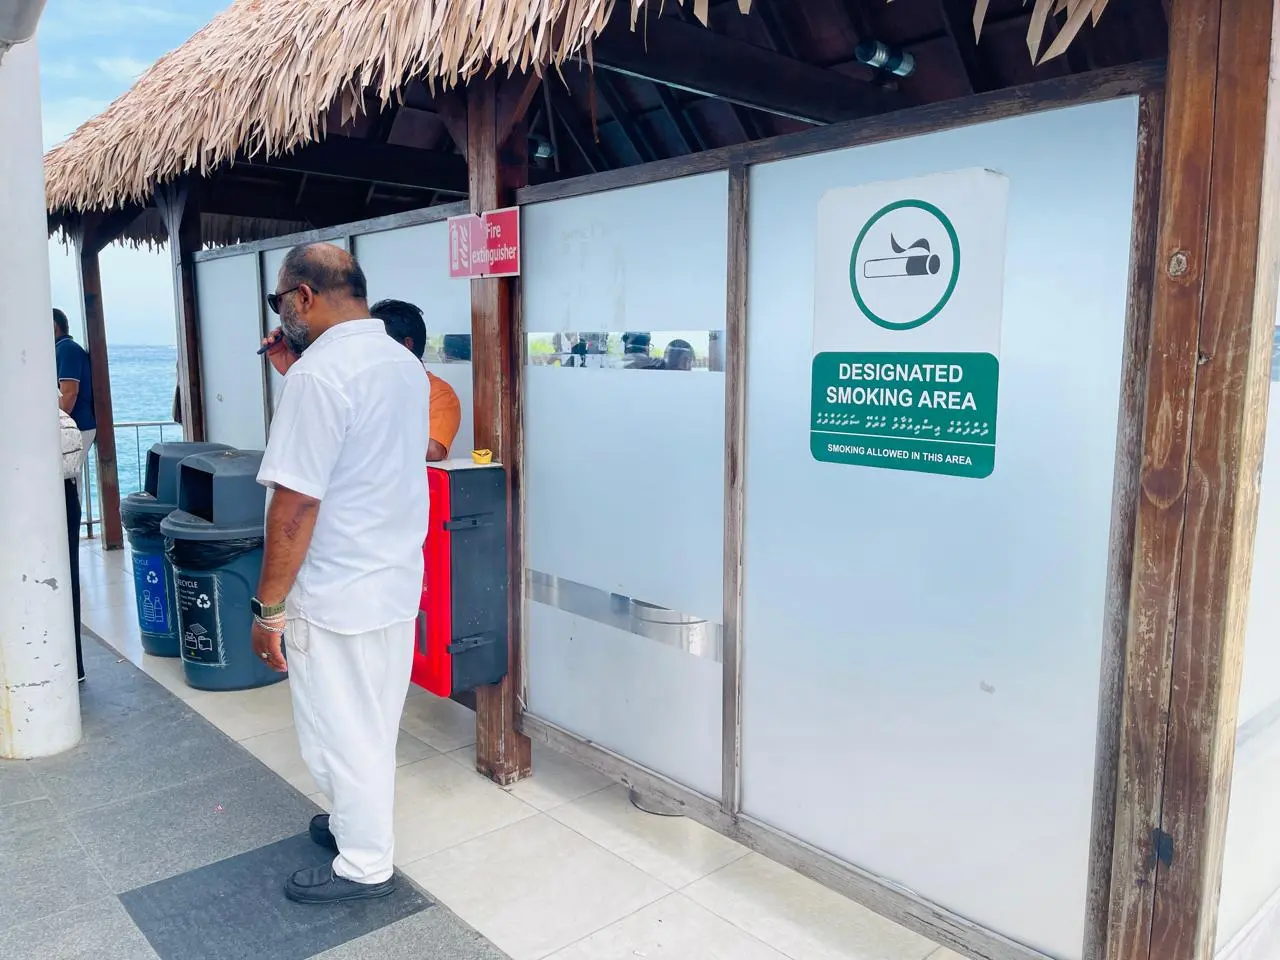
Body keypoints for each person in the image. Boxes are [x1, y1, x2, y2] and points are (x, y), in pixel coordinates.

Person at [252, 243, 430, 905]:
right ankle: (360, 826)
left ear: (303, 296)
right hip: (391, 579)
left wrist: (268, 607)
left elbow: (295, 502)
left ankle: (364, 864)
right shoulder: (402, 364)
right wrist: (292, 369)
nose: (282, 312)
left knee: (339, 728)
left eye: (280, 300)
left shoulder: (319, 376)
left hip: (334, 589)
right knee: (373, 720)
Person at [370, 298, 462, 461]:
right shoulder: (365, 386)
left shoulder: (439, 393)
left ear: (407, 345)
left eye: (377, 342)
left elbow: (433, 449)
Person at [59, 403, 86, 682]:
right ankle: (73, 663)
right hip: (64, 490)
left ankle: (72, 663)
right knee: (68, 579)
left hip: (51, 490)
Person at [53, 309, 96, 449]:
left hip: (76, 428)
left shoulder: (66, 349)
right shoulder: (63, 348)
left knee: (64, 472)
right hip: (76, 428)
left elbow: (69, 394)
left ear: (53, 327)